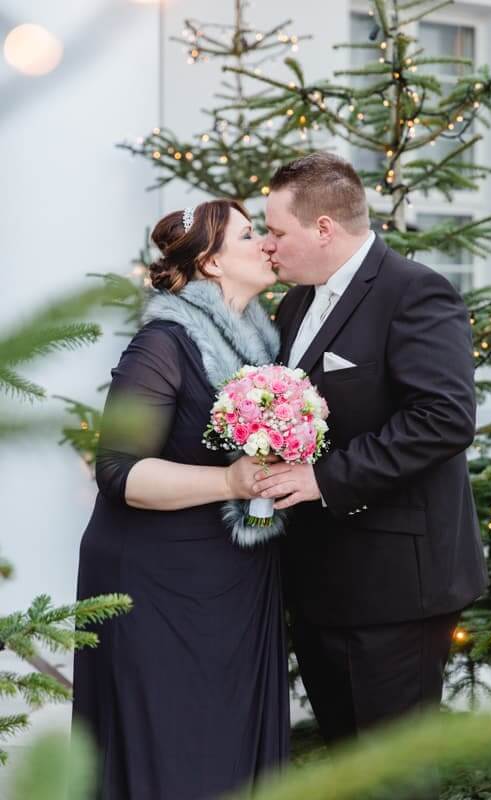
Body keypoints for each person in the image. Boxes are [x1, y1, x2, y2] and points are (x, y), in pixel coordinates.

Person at [255, 152, 488, 750]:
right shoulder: (296, 304)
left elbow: (444, 418)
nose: (267, 246)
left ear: (324, 227)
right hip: (321, 585)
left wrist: (323, 479)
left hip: (395, 592)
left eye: (277, 231)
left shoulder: (415, 291)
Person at [72, 199, 290, 800]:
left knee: (231, 750)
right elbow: (118, 470)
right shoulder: (163, 344)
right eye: (251, 236)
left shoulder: (269, 349)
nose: (268, 244)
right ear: (213, 263)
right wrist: (228, 483)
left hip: (238, 577)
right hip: (157, 580)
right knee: (174, 748)